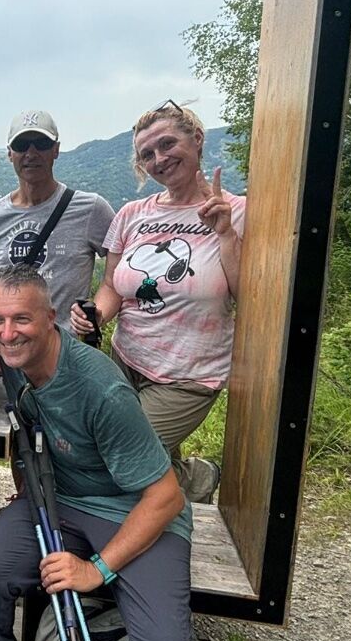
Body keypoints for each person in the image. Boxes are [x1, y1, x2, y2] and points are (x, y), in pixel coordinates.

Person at [0, 264, 201, 641]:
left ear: (51, 318)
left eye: (22, 320)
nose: (8, 334)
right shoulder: (10, 352)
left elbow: (166, 497)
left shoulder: (100, 389)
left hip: (136, 510)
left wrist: (96, 570)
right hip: (56, 501)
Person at [69, 100, 244, 504]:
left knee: (120, 452)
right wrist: (95, 314)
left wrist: (225, 235)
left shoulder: (237, 212)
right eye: (147, 154)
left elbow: (246, 295)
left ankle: (188, 488)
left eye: (167, 144)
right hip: (125, 360)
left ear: (196, 139)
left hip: (188, 375)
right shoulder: (132, 213)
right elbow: (113, 285)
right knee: (142, 454)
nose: (159, 158)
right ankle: (188, 479)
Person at [0, 111, 115, 332]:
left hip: (69, 350)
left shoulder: (91, 209)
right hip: (10, 348)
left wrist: (98, 311)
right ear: (10, 154)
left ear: (56, 150)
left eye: (41, 143)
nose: (31, 153)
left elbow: (118, 273)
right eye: (22, 145)